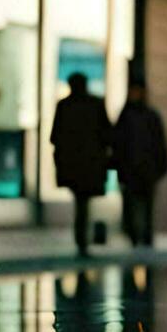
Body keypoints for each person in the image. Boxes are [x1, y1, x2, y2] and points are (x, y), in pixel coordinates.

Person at [50, 72, 112, 256]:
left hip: (74, 163)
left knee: (80, 201)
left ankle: (81, 238)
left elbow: (55, 137)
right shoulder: (95, 104)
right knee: (83, 202)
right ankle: (82, 239)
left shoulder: (65, 106)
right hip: (90, 163)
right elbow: (107, 134)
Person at [111, 77, 167, 247]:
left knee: (146, 205)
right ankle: (135, 235)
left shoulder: (148, 117)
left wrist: (160, 165)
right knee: (133, 204)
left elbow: (160, 144)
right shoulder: (127, 116)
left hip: (146, 168)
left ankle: (144, 235)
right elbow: (118, 143)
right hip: (132, 169)